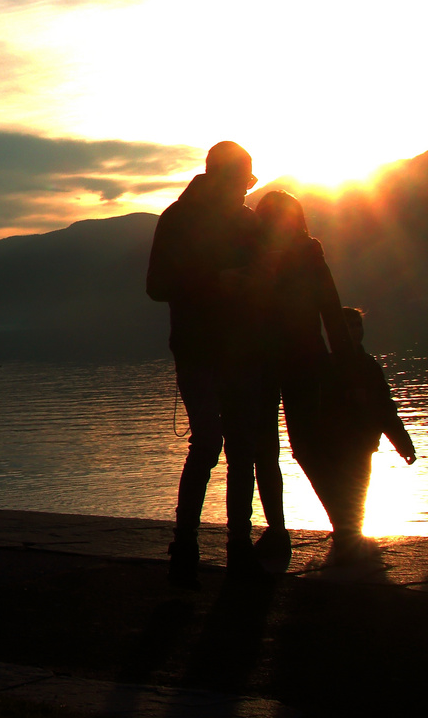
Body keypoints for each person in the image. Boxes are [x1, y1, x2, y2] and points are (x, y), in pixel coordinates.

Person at [249, 192, 409, 564]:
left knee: (307, 446)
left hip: (298, 361)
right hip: (274, 360)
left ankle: (336, 523)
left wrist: (348, 366)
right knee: (298, 448)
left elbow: (331, 310)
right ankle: (313, 526)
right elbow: (331, 312)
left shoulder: (305, 252)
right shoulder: (257, 253)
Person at [147, 141, 272, 586]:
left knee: (240, 447)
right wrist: (217, 281)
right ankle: (186, 545)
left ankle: (237, 546)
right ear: (221, 177)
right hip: (199, 347)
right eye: (241, 182)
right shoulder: (177, 220)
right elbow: (157, 284)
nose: (245, 191)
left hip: (240, 347)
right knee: (209, 442)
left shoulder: (245, 221)